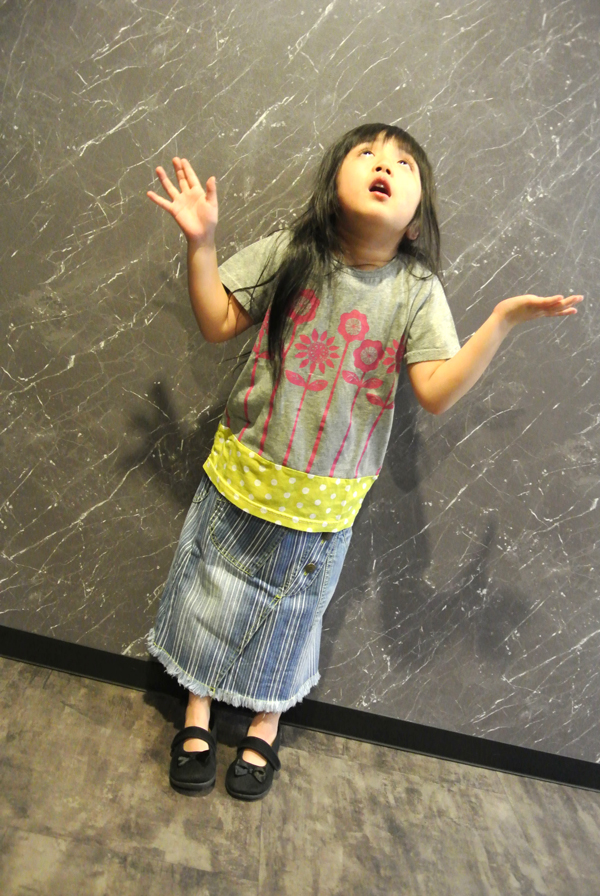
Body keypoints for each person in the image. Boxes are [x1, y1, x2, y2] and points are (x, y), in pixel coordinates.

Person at [146, 123, 582, 801]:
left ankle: (265, 721)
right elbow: (217, 321)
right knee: (210, 593)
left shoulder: (417, 289)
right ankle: (196, 711)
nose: (385, 165)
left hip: (325, 503)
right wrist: (201, 244)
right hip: (243, 472)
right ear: (333, 185)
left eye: (404, 164)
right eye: (368, 155)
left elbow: (435, 391)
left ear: (416, 218)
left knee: (294, 619)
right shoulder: (292, 251)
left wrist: (499, 322)